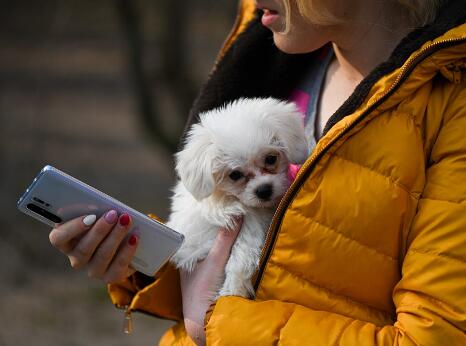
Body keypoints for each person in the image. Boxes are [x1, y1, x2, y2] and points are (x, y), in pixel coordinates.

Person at [49, 0, 466, 344]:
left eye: (271, 161)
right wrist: (137, 263)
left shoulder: (450, 107)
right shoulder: (270, 63)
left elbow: (433, 336)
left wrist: (214, 323)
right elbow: (230, 251)